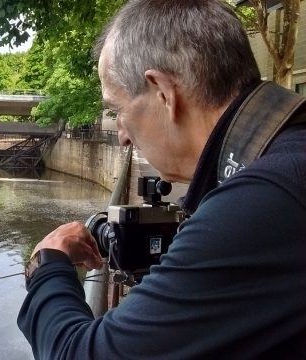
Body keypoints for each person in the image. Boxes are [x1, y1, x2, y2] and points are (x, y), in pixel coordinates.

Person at [17, 0, 306, 359]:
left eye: (117, 110)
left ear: (163, 92)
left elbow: (78, 354)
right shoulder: (285, 159)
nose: (121, 134)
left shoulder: (264, 202)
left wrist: (47, 264)